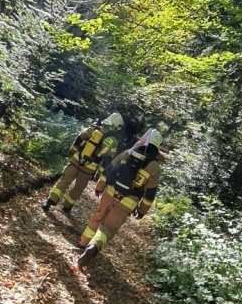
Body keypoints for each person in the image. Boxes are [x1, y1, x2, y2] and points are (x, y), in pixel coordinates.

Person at [76, 128, 163, 267]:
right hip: (128, 202)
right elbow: (149, 194)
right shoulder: (155, 167)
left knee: (98, 216)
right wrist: (141, 211)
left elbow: (109, 169)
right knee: (108, 228)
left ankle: (82, 243)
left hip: (110, 192)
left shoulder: (128, 153)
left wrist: (100, 186)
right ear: (157, 147)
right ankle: (93, 247)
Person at [42, 113, 124, 215]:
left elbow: (79, 138)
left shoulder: (93, 129)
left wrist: (72, 152)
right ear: (116, 126)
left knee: (63, 181)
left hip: (76, 161)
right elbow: (108, 159)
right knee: (78, 188)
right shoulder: (113, 141)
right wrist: (99, 174)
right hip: (89, 169)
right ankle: (66, 207)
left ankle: (49, 202)